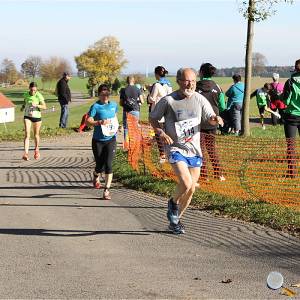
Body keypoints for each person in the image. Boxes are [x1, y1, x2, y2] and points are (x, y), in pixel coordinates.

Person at [150, 68, 223, 234]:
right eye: (186, 81)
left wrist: (215, 119)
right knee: (186, 182)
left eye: (193, 81)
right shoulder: (168, 101)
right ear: (178, 81)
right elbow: (153, 118)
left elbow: (210, 118)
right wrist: (160, 132)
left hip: (194, 150)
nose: (190, 84)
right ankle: (173, 202)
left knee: (191, 190)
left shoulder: (200, 99)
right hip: (175, 148)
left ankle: (175, 221)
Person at [86, 84, 119, 199]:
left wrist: (115, 127)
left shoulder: (114, 105)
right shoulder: (95, 106)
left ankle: (106, 190)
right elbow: (88, 121)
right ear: (99, 94)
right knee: (99, 166)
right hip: (98, 140)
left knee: (109, 165)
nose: (105, 96)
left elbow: (115, 117)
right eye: (103, 94)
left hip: (111, 139)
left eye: (107, 94)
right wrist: (98, 122)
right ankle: (96, 175)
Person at [196, 63, 226, 181]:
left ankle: (204, 176)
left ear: (202, 72)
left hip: (198, 121)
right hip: (213, 121)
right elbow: (223, 106)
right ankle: (219, 174)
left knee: (200, 149)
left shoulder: (195, 86)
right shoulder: (217, 87)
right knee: (211, 148)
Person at [147, 66, 172, 163]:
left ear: (157, 74)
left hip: (157, 112)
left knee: (158, 134)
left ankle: (162, 155)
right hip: (167, 112)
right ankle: (168, 152)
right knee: (166, 133)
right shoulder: (169, 85)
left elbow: (152, 99)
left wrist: (149, 92)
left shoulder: (157, 85)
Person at [281, 59, 300, 178]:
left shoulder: (290, 82)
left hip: (291, 117)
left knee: (290, 145)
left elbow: (286, 101)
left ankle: (291, 172)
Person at [20, 82, 47, 161]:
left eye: (34, 90)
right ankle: (26, 153)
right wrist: (22, 107)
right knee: (27, 134)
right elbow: (25, 102)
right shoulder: (26, 94)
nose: (33, 92)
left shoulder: (39, 95)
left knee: (36, 135)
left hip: (37, 117)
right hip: (27, 116)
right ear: (29, 88)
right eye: (32, 90)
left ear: (36, 90)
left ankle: (36, 150)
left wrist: (37, 105)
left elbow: (45, 106)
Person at [119, 76, 144, 149]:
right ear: (134, 81)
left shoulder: (123, 90)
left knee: (126, 128)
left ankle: (126, 146)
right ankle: (136, 144)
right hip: (135, 110)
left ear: (127, 81)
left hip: (126, 111)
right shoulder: (137, 89)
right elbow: (142, 101)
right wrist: (136, 102)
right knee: (135, 128)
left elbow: (120, 103)